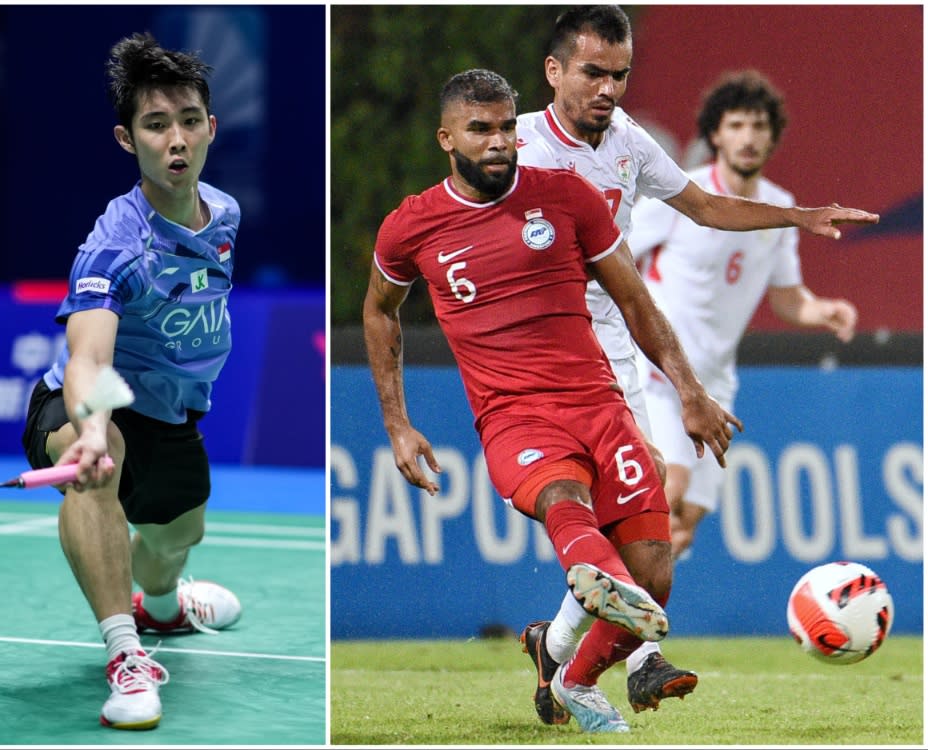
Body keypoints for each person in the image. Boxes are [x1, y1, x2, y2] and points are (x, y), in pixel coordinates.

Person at [513, 5, 879, 724]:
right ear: (554, 72)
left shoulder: (630, 145)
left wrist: (800, 217)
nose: (609, 89)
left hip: (627, 352)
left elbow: (709, 209)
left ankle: (559, 650)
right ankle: (630, 661)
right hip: (556, 355)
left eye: (620, 75)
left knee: (654, 526)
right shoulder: (516, 143)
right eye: (594, 73)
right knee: (650, 502)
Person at [363, 67, 743, 733]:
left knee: (654, 578)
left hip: (598, 405)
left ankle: (569, 674)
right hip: (515, 417)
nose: (500, 142)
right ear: (446, 137)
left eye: (508, 126)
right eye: (481, 129)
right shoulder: (412, 226)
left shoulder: (567, 197)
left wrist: (689, 390)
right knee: (564, 501)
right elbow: (378, 312)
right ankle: (599, 584)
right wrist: (397, 423)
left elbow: (634, 301)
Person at [20, 32, 242, 731]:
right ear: (128, 138)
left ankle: (165, 606)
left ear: (210, 127)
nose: (175, 139)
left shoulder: (227, 212)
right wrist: (87, 425)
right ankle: (126, 656)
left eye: (187, 121)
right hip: (88, 403)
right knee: (92, 466)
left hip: (173, 417)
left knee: (179, 534)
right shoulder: (116, 243)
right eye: (155, 125)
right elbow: (87, 355)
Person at [630, 69, 858, 560]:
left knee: (685, 520)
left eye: (758, 126)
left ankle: (621, 615)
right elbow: (617, 259)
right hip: (658, 368)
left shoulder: (780, 208)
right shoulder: (681, 193)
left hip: (716, 382)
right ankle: (596, 607)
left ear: (773, 136)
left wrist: (825, 310)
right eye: (736, 125)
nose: (748, 138)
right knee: (670, 488)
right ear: (715, 133)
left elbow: (787, 297)